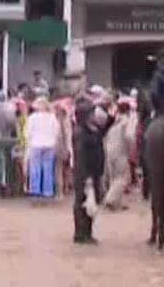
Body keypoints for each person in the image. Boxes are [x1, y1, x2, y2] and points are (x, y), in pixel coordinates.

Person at [71, 93, 109, 244]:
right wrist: (85, 177)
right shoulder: (80, 133)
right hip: (84, 174)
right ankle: (81, 233)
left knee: (92, 204)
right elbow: (80, 156)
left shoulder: (93, 130)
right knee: (83, 203)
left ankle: (88, 231)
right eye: (92, 113)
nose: (94, 115)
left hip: (94, 172)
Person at [24, 95, 61, 198]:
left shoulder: (32, 118)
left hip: (36, 144)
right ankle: (47, 190)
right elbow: (56, 132)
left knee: (35, 167)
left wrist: (29, 142)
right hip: (49, 145)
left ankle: (35, 189)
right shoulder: (52, 118)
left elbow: (27, 132)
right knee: (48, 168)